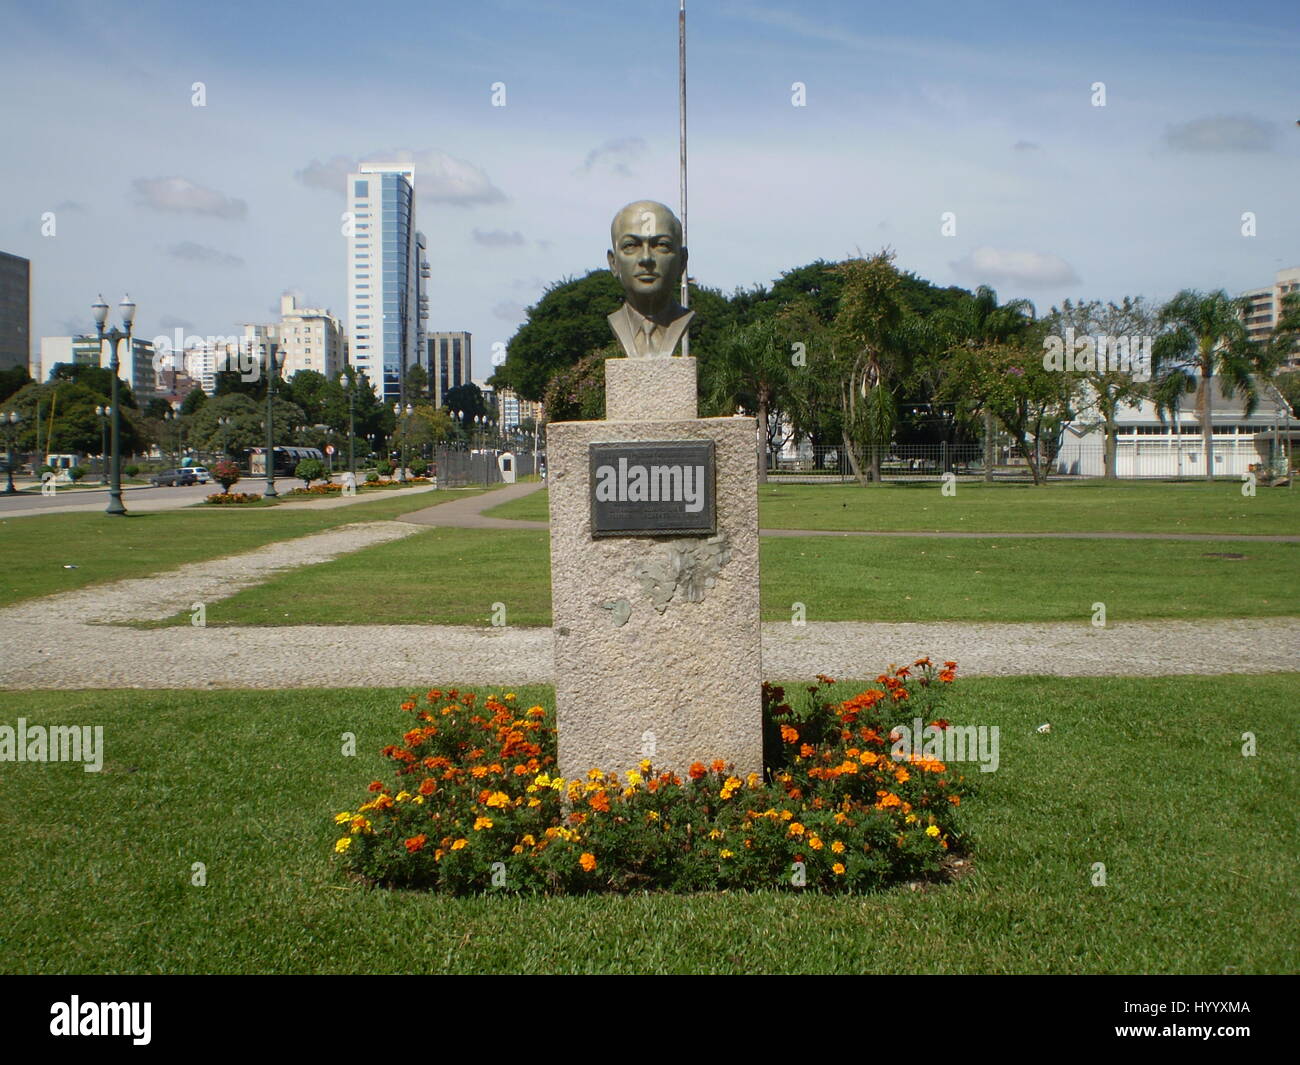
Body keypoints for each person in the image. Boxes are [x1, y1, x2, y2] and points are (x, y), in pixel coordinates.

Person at [605, 200, 693, 359]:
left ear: (682, 261)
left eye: (661, 245)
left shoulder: (683, 319)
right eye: (631, 245)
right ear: (613, 262)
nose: (646, 258)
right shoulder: (617, 322)